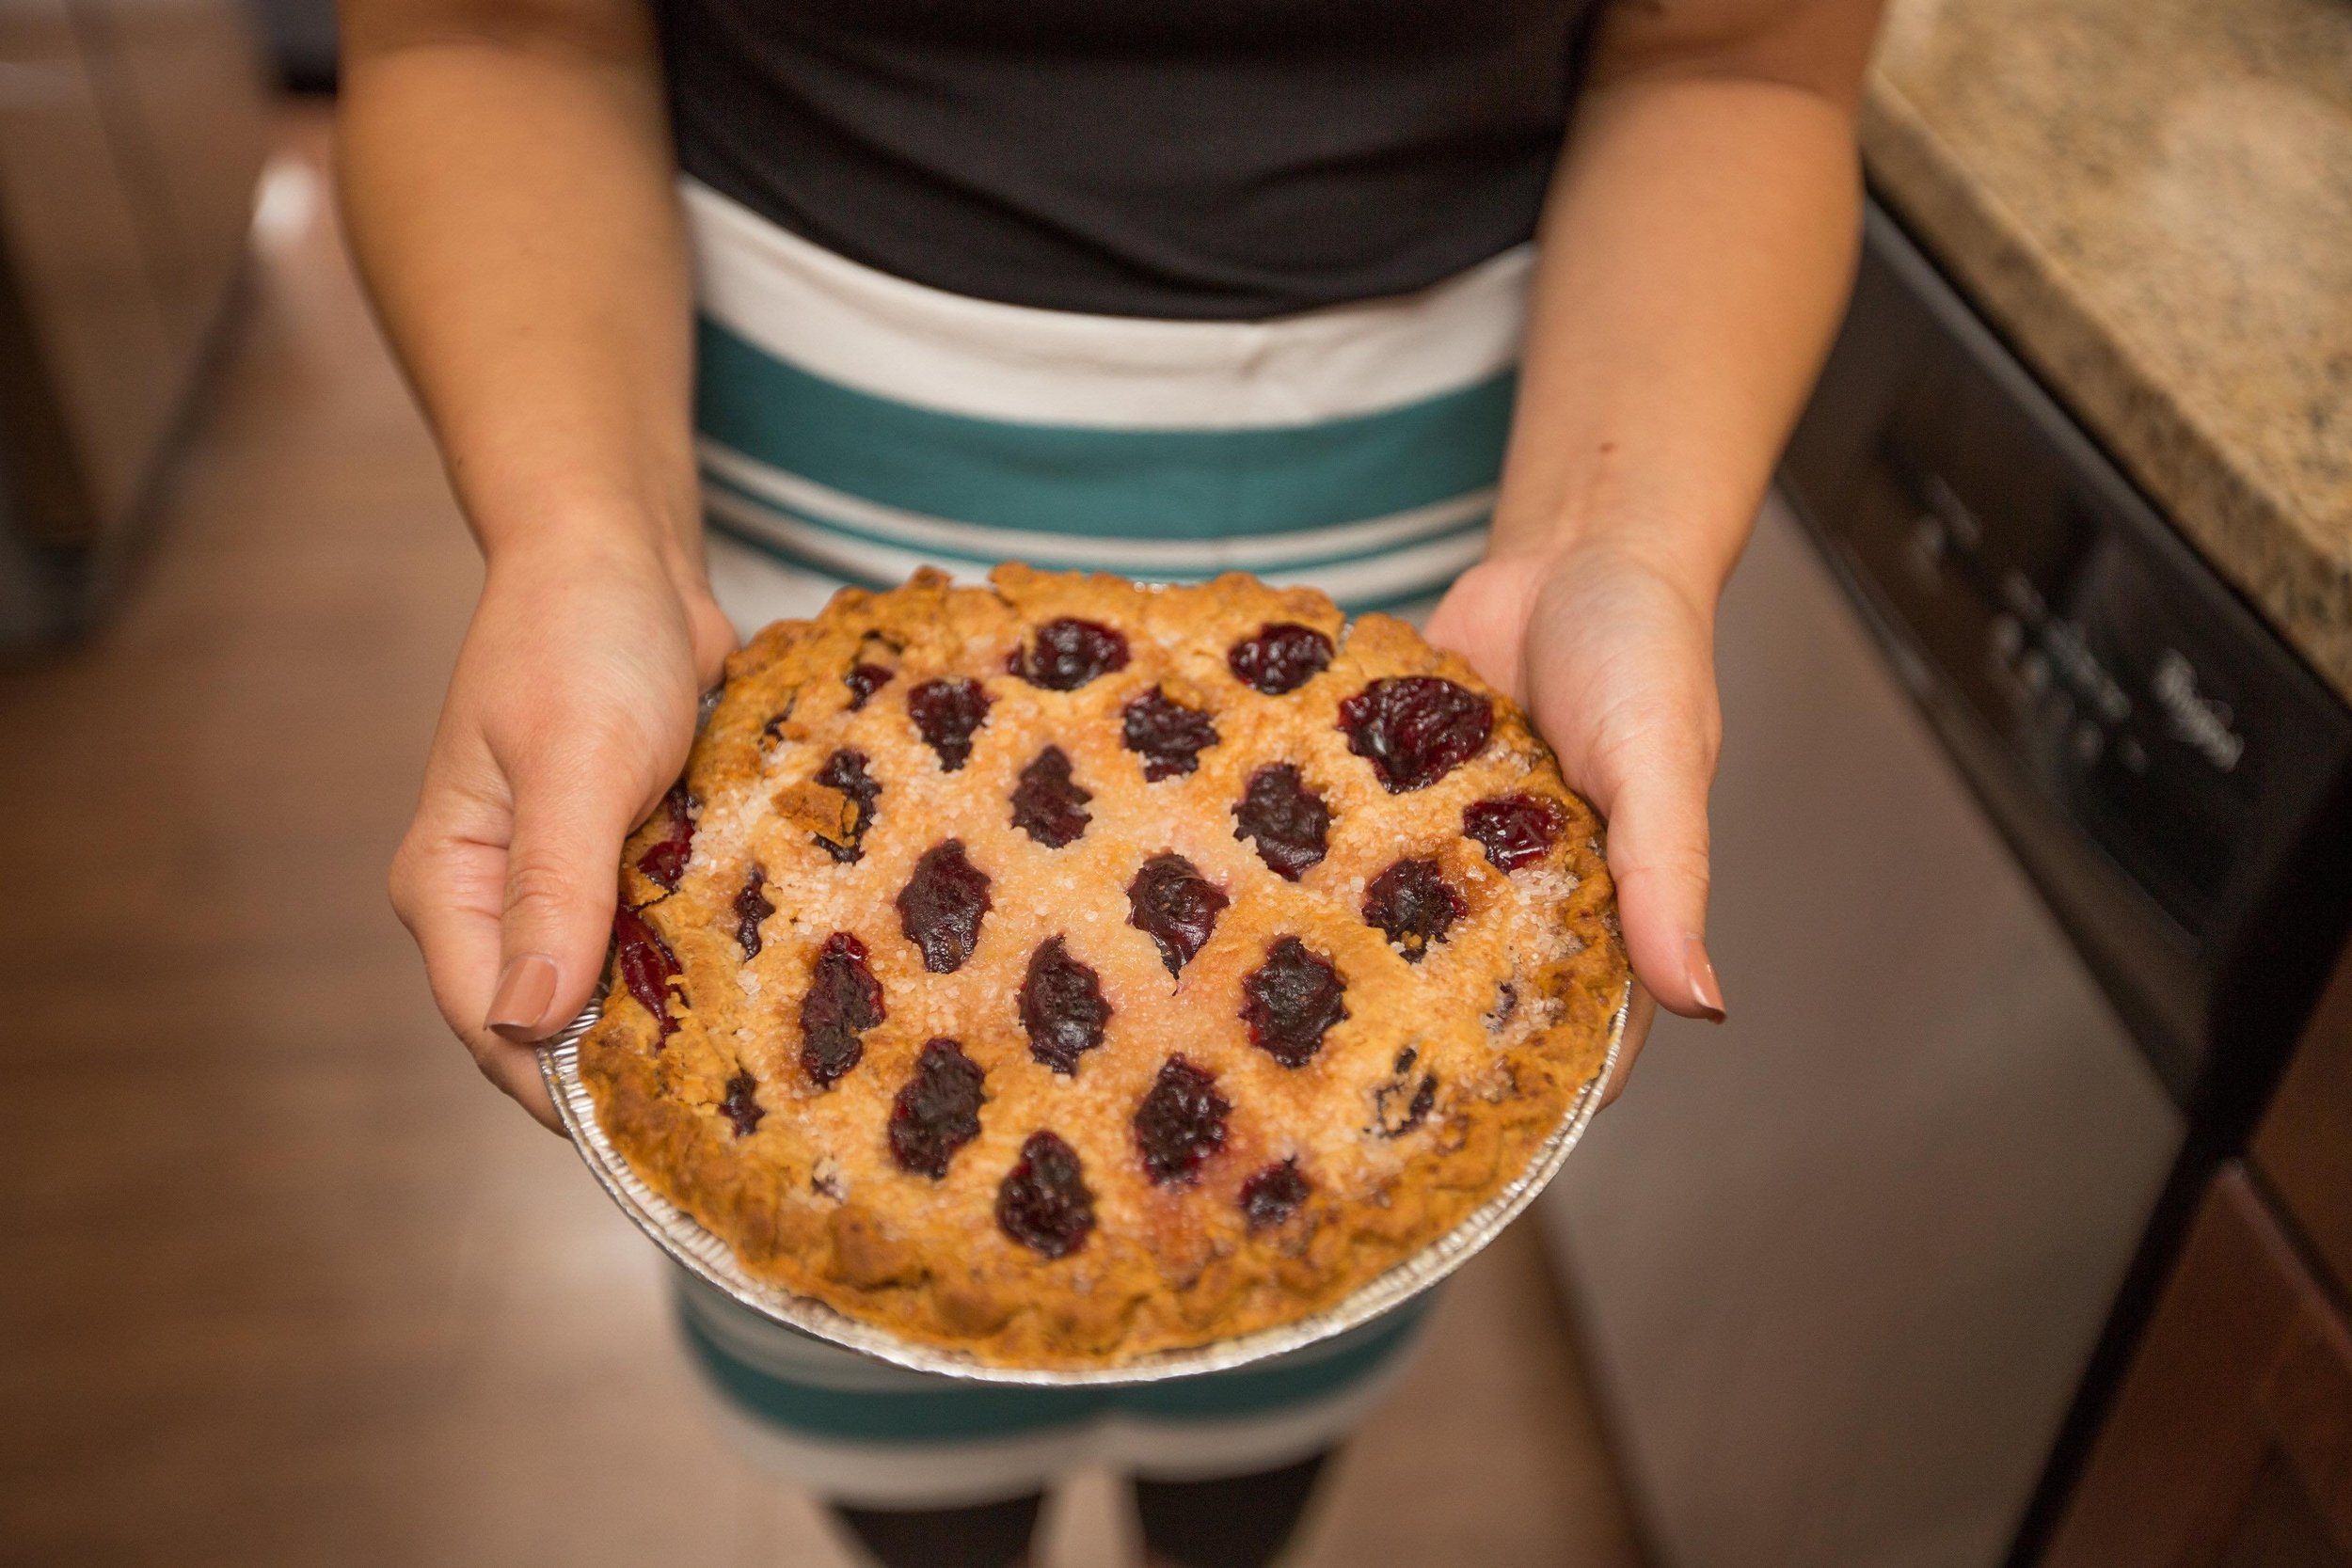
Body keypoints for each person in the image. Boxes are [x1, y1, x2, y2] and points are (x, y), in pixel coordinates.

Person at [346, 0, 1883, 1561]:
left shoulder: (1459, 722)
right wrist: (581, 539)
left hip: (1454, 614)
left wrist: (1608, 543)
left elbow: (1733, 59)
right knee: (889, 1442)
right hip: (753, 662)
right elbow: (493, 36)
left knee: (1276, 1384)